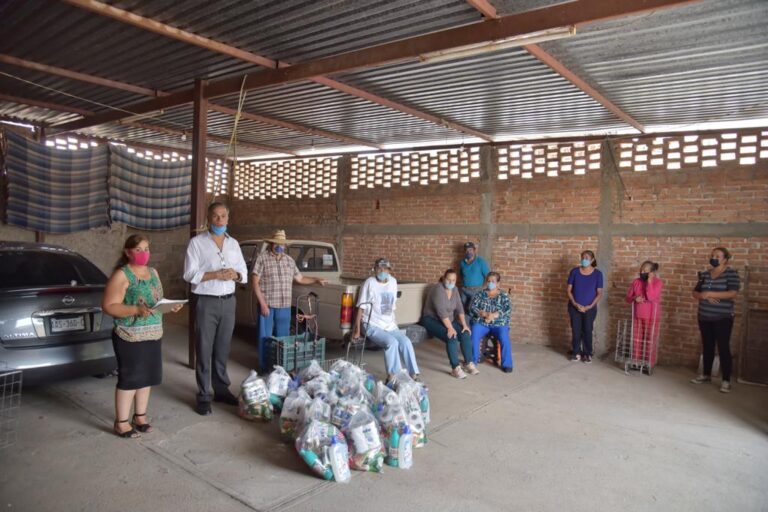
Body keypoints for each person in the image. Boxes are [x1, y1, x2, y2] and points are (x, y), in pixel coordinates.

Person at [103, 235, 184, 438]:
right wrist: (135, 309)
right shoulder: (122, 275)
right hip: (129, 334)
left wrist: (170, 307)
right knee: (130, 378)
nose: (144, 253)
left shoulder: (153, 272)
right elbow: (108, 306)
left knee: (146, 376)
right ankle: (121, 422)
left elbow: (156, 301)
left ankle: (140, 417)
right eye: (138, 249)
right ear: (127, 252)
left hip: (153, 332)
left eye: (146, 248)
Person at [183, 202, 248, 416]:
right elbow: (189, 274)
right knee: (204, 348)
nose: (219, 220)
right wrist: (215, 274)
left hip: (229, 301)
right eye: (215, 216)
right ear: (209, 219)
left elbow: (243, 272)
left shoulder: (234, 244)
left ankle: (221, 389)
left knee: (222, 348)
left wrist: (235, 275)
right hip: (206, 301)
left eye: (223, 216)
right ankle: (203, 395)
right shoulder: (196, 243)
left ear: (228, 218)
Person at [252, 229, 327, 371]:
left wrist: (316, 279)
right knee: (265, 338)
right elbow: (255, 283)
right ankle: (264, 367)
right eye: (276, 243)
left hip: (284, 306)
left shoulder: (289, 261)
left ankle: (281, 368)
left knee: (284, 338)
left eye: (282, 244)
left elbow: (300, 278)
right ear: (271, 243)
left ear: (285, 245)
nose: (279, 246)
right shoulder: (262, 258)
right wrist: (262, 304)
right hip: (266, 305)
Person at [353, 258, 420, 382]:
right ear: (375, 269)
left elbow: (390, 307)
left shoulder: (393, 282)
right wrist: (357, 330)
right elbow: (360, 308)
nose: (382, 271)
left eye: (385, 269)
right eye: (379, 268)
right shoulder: (369, 283)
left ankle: (414, 375)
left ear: (389, 270)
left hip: (389, 325)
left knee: (406, 342)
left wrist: (394, 325)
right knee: (391, 343)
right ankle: (393, 376)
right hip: (371, 324)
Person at [690, 247, 740, 393]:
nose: (714, 258)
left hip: (722, 317)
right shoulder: (704, 274)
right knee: (707, 346)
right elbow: (695, 292)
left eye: (718, 256)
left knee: (723, 348)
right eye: (713, 255)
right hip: (704, 316)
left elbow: (732, 293)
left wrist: (710, 294)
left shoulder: (731, 273)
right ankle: (706, 375)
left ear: (725, 259)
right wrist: (703, 296)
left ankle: (726, 381)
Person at [420, 269, 476, 379]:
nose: (451, 282)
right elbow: (441, 312)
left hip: (448, 320)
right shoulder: (438, 289)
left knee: (465, 333)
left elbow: (460, 308)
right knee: (452, 336)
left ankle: (468, 363)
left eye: (453, 280)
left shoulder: (454, 289)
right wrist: (450, 328)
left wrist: (464, 325)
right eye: (448, 279)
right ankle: (455, 368)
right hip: (432, 319)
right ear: (443, 278)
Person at [469, 272, 513, 373]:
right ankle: (472, 361)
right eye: (488, 281)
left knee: (504, 338)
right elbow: (473, 307)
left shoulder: (503, 295)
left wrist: (493, 315)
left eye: (493, 281)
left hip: (499, 324)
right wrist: (483, 314)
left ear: (498, 283)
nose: (490, 283)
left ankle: (507, 364)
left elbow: (508, 310)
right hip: (482, 322)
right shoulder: (480, 294)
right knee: (474, 334)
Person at [624, 261, 663, 369]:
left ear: (652, 272)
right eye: (641, 270)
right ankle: (636, 361)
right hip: (638, 315)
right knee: (636, 340)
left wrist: (649, 281)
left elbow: (651, 297)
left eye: (645, 271)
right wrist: (634, 298)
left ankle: (648, 363)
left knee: (650, 340)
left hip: (652, 317)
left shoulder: (657, 282)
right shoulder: (636, 282)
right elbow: (627, 298)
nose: (641, 272)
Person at [566, 250, 603, 363]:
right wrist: (575, 303)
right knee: (576, 330)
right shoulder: (575, 272)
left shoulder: (598, 274)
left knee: (587, 330)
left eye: (586, 258)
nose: (584, 260)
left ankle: (587, 353)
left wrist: (589, 306)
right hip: (574, 307)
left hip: (589, 308)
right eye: (582, 257)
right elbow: (569, 290)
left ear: (592, 260)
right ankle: (576, 352)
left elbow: (599, 293)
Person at [459, 241, 490, 312]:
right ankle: (463, 322)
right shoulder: (462, 262)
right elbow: (461, 275)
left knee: (471, 309)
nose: (468, 252)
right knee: (461, 309)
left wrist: (483, 288)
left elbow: (488, 276)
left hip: (476, 290)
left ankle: (471, 322)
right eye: (466, 250)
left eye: (470, 250)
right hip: (464, 289)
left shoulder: (480, 261)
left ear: (474, 250)